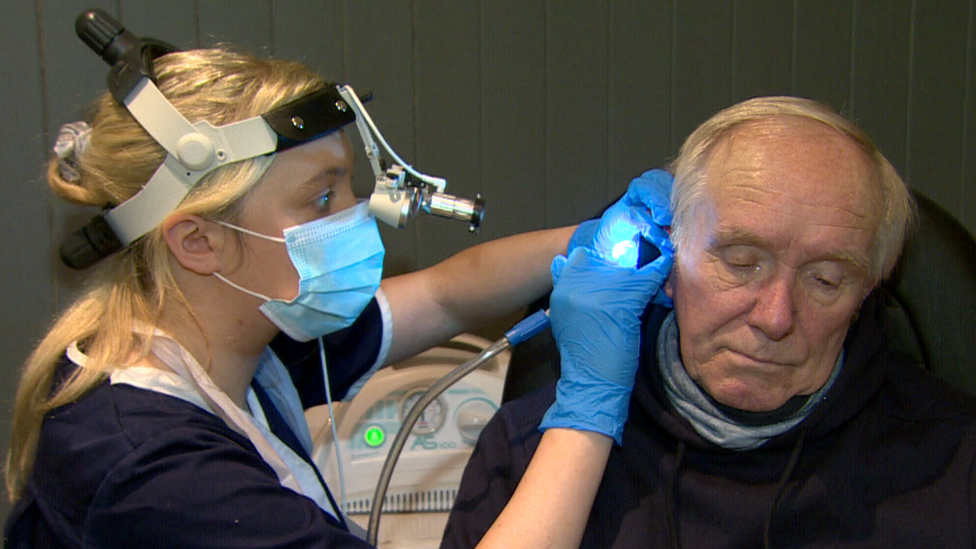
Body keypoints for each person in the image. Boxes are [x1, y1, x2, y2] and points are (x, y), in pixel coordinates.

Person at [2, 42, 673, 549]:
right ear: (198, 241)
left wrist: (588, 239)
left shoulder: (231, 340)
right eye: (322, 196)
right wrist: (590, 402)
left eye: (348, 185)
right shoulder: (155, 471)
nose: (360, 213)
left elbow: (445, 296)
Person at [441, 96, 976, 548]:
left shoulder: (956, 465)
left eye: (826, 280)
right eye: (741, 263)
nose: (775, 317)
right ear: (668, 263)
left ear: (866, 293)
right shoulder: (532, 453)